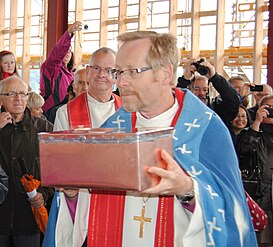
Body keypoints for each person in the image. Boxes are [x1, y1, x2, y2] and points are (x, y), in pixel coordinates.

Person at [84, 31, 257, 246]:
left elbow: (231, 208)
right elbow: (87, 211)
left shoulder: (206, 129)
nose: (122, 82)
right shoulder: (113, 129)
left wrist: (187, 190)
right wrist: (73, 195)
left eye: (133, 72)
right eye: (119, 72)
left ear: (165, 73)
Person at [43, 47, 122, 247]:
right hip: (82, 202)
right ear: (88, 72)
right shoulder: (65, 113)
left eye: (108, 70)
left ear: (116, 76)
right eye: (96, 68)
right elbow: (60, 162)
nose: (101, 74)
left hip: (120, 201)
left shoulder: (129, 111)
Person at [0, 76, 54, 246]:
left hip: (29, 218)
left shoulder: (44, 129)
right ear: (1, 98)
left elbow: (57, 169)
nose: (18, 99)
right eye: (11, 94)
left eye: (22, 94)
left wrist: (44, 194)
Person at [237, 94, 273, 246]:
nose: (271, 111)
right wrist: (257, 122)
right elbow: (244, 150)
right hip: (259, 195)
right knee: (261, 241)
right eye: (268, 107)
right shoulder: (250, 132)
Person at [177, 60, 240, 126]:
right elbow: (173, 103)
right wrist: (184, 80)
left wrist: (215, 77)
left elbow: (233, 102)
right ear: (189, 89)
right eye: (196, 89)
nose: (201, 93)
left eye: (205, 90)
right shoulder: (183, 110)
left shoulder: (216, 111)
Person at [40, 21, 82, 114]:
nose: (67, 52)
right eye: (65, 50)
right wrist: (68, 34)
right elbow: (57, 53)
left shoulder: (72, 74)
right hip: (52, 111)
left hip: (68, 109)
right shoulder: (50, 67)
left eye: (70, 50)